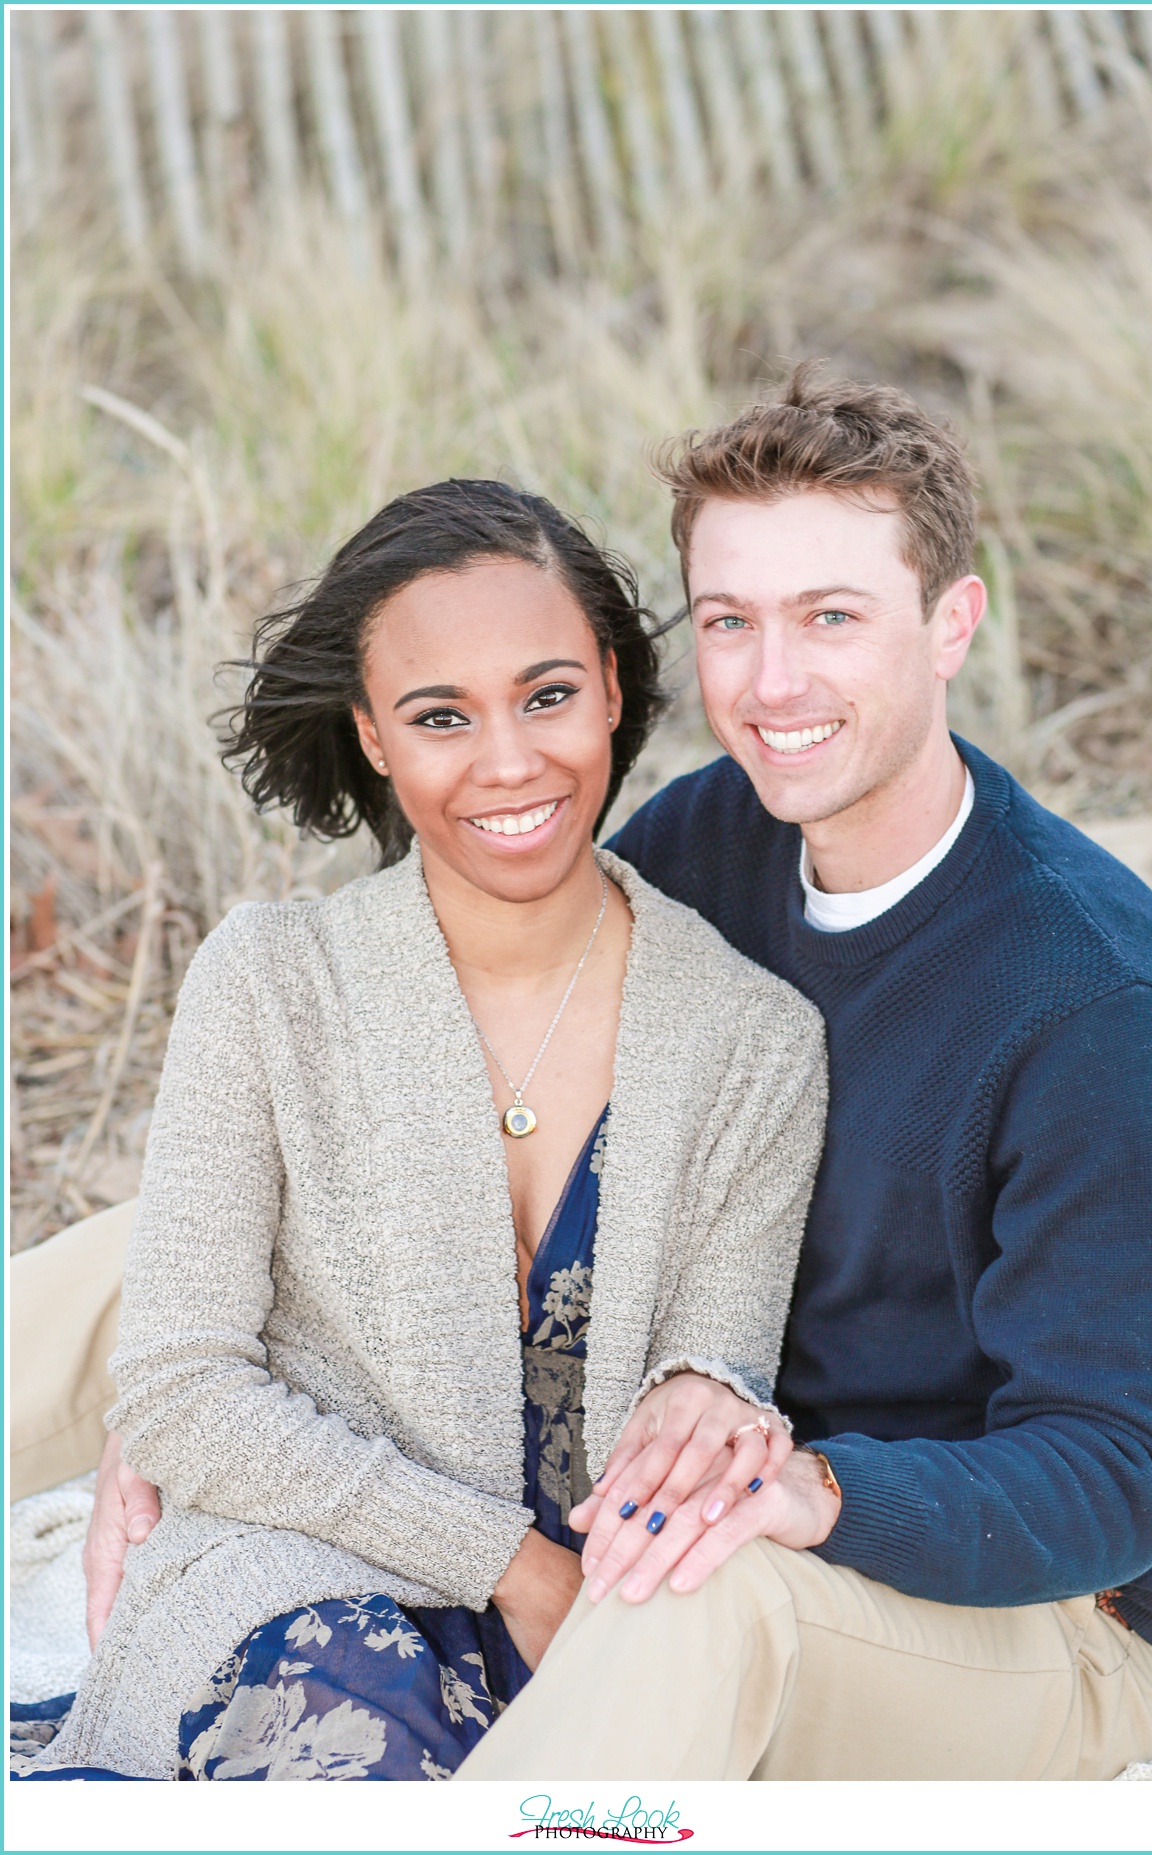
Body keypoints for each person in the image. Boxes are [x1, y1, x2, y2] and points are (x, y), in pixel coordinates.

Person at [13, 478, 827, 1781]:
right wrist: (507, 1565)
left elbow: (712, 1389)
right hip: (291, 1598)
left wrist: (706, 1418)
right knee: (346, 1706)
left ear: (615, 688)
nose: (508, 762)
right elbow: (177, 1387)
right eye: (442, 716)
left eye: (547, 694)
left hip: (595, 1648)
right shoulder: (273, 980)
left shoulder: (755, 1042)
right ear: (374, 737)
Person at [452, 364, 1152, 1780]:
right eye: (731, 622)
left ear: (951, 624)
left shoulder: (1096, 995)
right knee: (217, 1235)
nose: (771, 683)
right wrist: (206, 1363)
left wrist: (814, 1488)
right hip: (715, 1473)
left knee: (696, 1583)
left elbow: (1126, 1470)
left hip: (1032, 1626)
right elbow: (466, 1083)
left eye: (831, 619)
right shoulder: (707, 842)